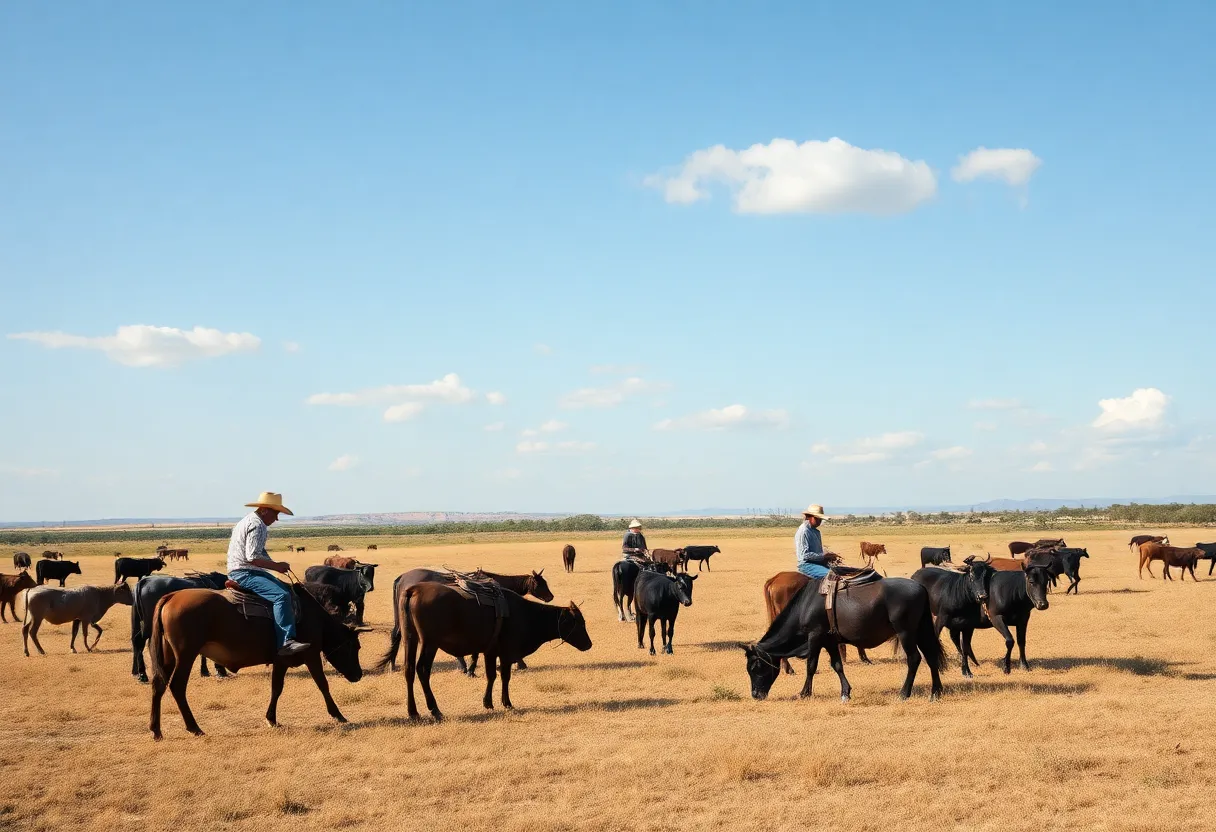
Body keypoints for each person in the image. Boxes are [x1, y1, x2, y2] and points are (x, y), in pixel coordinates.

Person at [226, 491, 310, 657]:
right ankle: (285, 641)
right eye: (275, 513)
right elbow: (252, 557)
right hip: (245, 572)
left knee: (287, 590)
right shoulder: (258, 525)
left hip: (245, 569)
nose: (276, 519)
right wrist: (277, 566)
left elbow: (258, 553)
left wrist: (275, 565)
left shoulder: (247, 520)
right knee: (281, 596)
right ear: (264, 510)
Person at [795, 503, 837, 579]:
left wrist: (827, 556)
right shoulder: (804, 531)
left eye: (820, 519)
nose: (819, 521)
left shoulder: (816, 532)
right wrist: (823, 556)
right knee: (832, 576)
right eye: (817, 518)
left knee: (840, 571)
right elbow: (804, 555)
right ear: (809, 517)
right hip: (806, 565)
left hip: (817, 563)